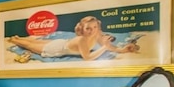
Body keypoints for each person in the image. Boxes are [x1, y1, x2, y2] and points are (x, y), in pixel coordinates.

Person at [8, 16, 137, 61]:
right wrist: (104, 47)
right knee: (26, 44)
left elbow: (110, 46)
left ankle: (19, 38)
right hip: (56, 48)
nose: (92, 31)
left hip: (63, 43)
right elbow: (87, 58)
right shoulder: (82, 40)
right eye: (88, 28)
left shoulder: (97, 34)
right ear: (83, 29)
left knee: (33, 41)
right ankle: (14, 39)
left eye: (95, 27)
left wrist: (123, 50)